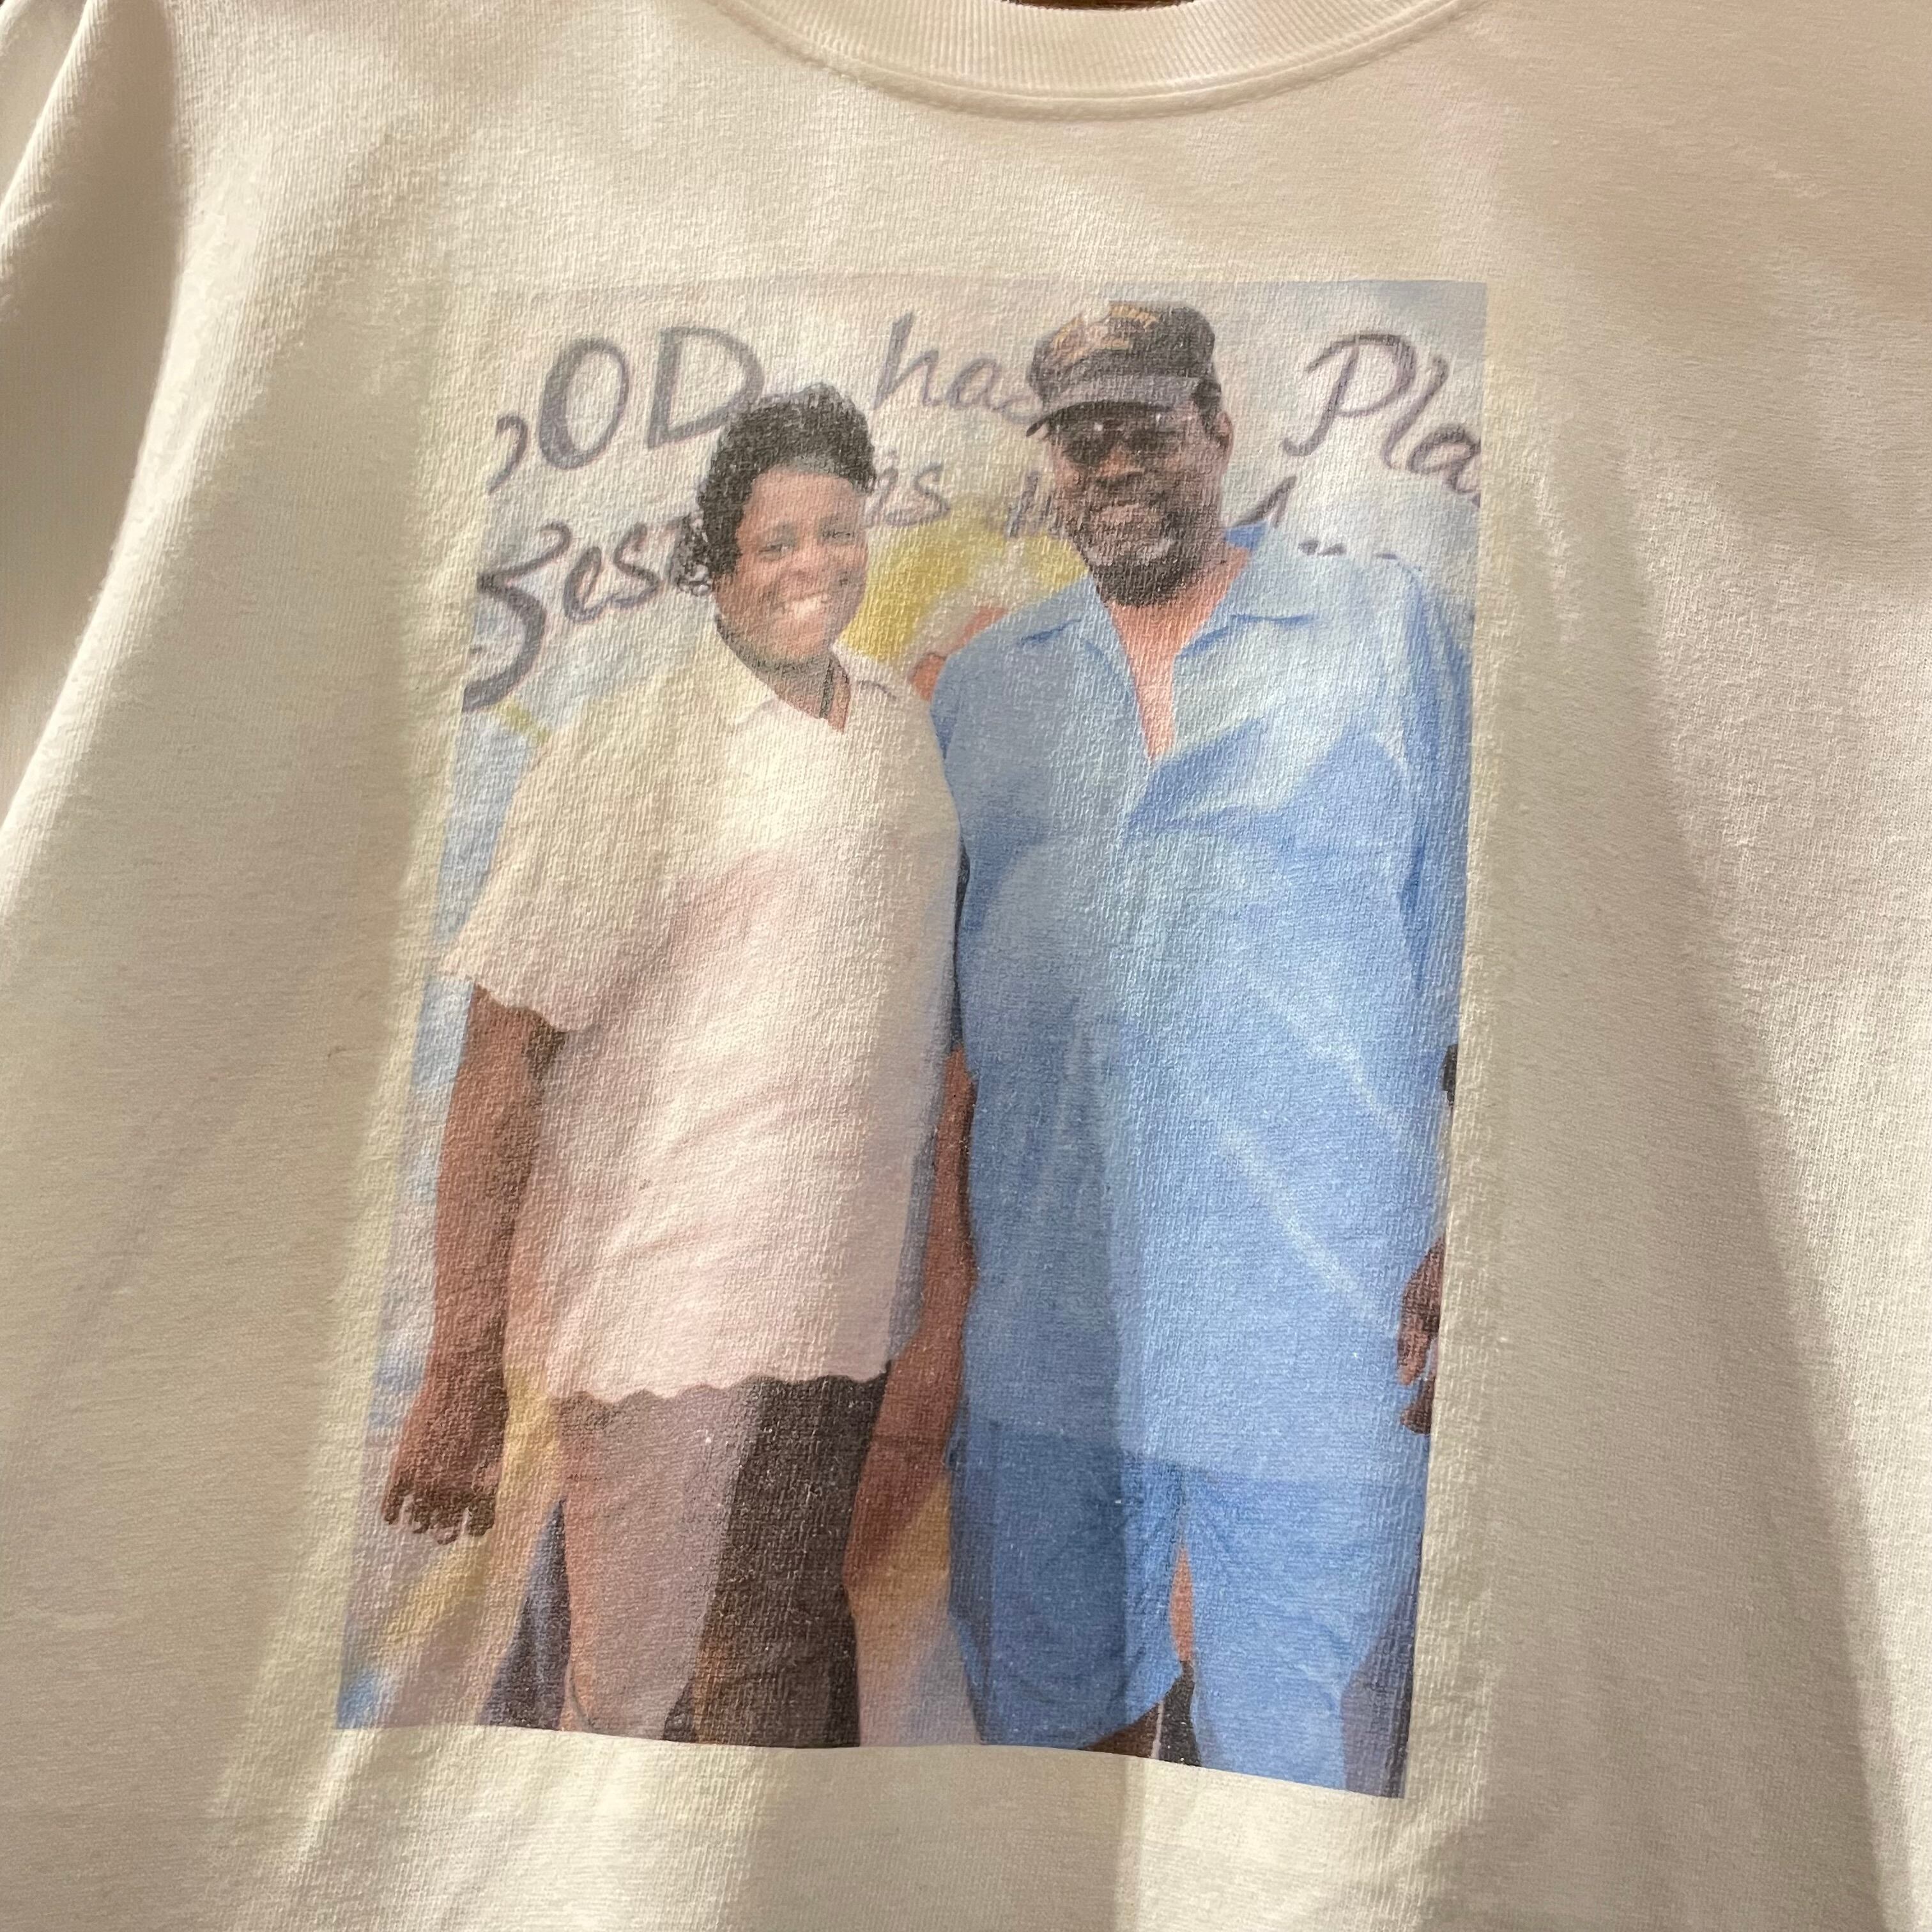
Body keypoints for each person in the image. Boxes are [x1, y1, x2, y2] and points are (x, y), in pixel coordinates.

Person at [923, 302, 1469, 1791]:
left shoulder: (1383, 632)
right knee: (1046, 1777)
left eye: (1147, 432)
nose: (1113, 467)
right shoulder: (987, 688)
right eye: (1082, 441)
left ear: (1219, 431)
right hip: (1053, 1353)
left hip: (1324, 1344)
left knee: (1303, 1790)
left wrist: (1472, 1234)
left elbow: (1485, 962)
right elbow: (937, 1049)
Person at [379, 385, 959, 1747]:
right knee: (629, 1705)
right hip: (667, 1318)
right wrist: (461, 1367)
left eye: (836, 530)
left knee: (772, 1668)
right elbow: (502, 1063)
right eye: (776, 541)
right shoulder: (634, 749)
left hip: (841, 1318)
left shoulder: (896, 725)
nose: (813, 564)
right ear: (718, 562)